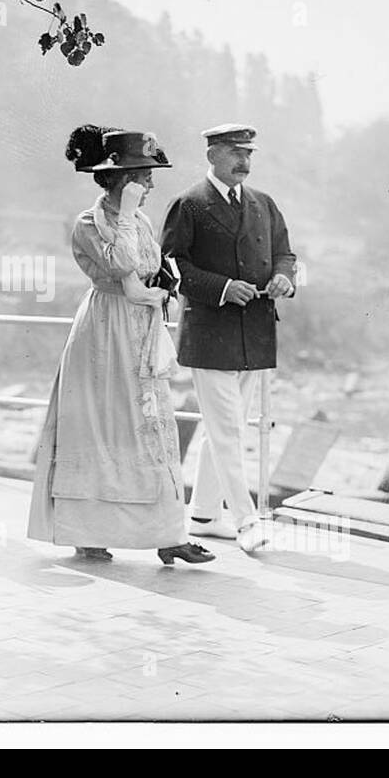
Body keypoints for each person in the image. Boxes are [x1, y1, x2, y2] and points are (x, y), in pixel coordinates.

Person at [28, 126, 214, 566]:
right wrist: (127, 218)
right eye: (143, 177)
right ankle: (89, 532)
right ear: (121, 179)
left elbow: (147, 268)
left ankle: (169, 534)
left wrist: (161, 286)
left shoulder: (143, 221)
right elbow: (123, 266)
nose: (149, 186)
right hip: (105, 333)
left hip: (141, 332)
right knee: (102, 427)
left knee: (152, 427)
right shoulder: (89, 223)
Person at [161, 123, 296, 554]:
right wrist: (222, 288)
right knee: (228, 432)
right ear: (212, 156)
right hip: (210, 334)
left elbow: (285, 254)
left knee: (225, 429)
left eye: (249, 154)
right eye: (236, 153)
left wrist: (281, 279)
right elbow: (173, 267)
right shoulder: (189, 204)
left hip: (253, 332)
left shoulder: (263, 203)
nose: (244, 162)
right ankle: (246, 520)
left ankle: (202, 515)